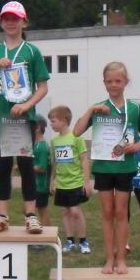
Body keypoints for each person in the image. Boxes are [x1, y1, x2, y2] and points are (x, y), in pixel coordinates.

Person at [0, 1, 50, 234]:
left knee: (26, 166)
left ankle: (31, 216)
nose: (10, 22)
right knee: (4, 166)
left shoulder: (32, 51)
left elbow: (43, 87)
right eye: (6, 18)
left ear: (24, 22)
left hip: (24, 117)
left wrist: (26, 105)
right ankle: (2, 216)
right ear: (1, 22)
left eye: (15, 19)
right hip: (0, 117)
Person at [74, 61, 140, 274]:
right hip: (104, 167)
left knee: (121, 212)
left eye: (118, 81)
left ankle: (121, 259)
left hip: (125, 167)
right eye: (110, 81)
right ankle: (109, 259)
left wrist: (137, 146)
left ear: (125, 82)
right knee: (107, 213)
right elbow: (76, 131)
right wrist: (91, 110)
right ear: (104, 83)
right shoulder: (99, 108)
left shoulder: (134, 108)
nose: (114, 85)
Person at [49, 105, 92, 254]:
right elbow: (54, 163)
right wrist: (52, 180)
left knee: (75, 211)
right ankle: (70, 240)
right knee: (65, 212)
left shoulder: (76, 138)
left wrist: (86, 181)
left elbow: (84, 159)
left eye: (53, 121)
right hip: (61, 183)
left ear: (63, 120)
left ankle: (83, 241)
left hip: (76, 182)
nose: (51, 124)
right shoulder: (54, 141)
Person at [32, 115, 52, 228]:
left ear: (38, 128)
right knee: (29, 210)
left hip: (41, 185)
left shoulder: (42, 146)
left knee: (42, 210)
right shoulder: (36, 145)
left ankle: (48, 234)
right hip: (35, 185)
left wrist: (27, 167)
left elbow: (42, 168)